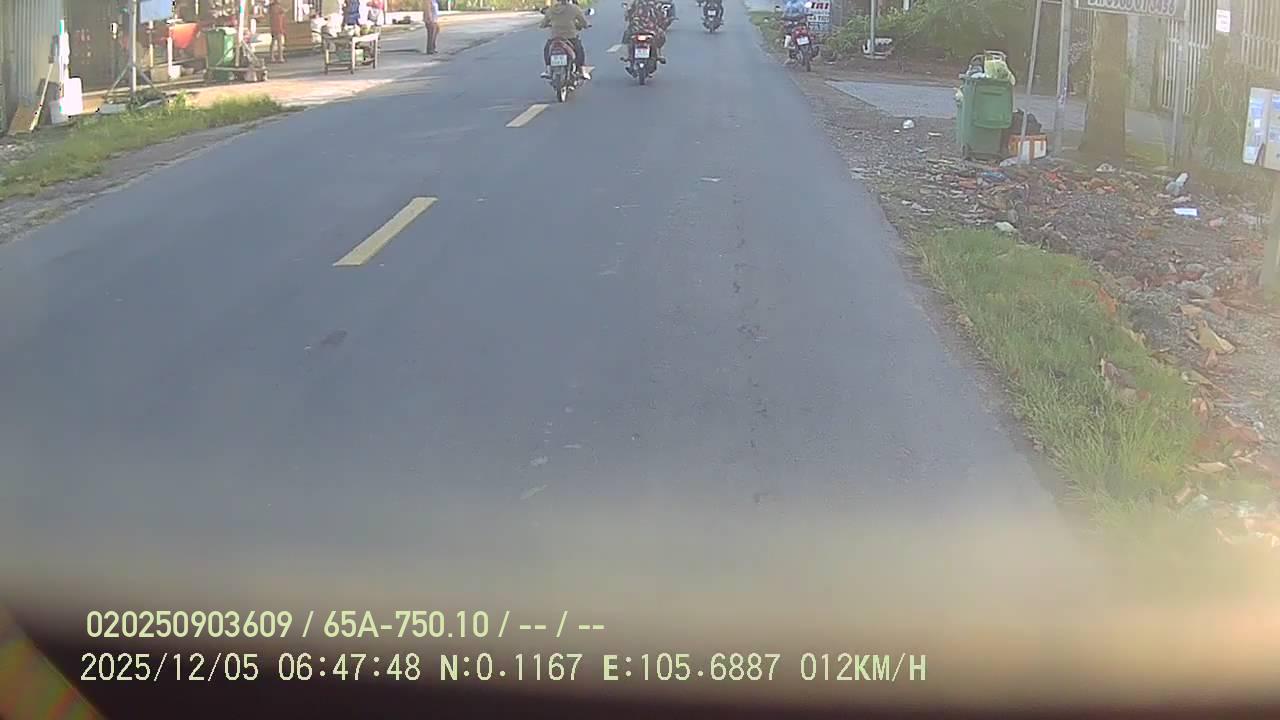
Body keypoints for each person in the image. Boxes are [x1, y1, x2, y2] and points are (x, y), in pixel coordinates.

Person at [540, 0, 590, 80]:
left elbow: (542, 24)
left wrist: (550, 25)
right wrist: (583, 25)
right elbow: (584, 23)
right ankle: (582, 71)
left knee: (547, 49)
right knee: (579, 50)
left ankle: (548, 70)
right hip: (570, 36)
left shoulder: (551, 10)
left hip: (555, 37)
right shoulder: (574, 8)